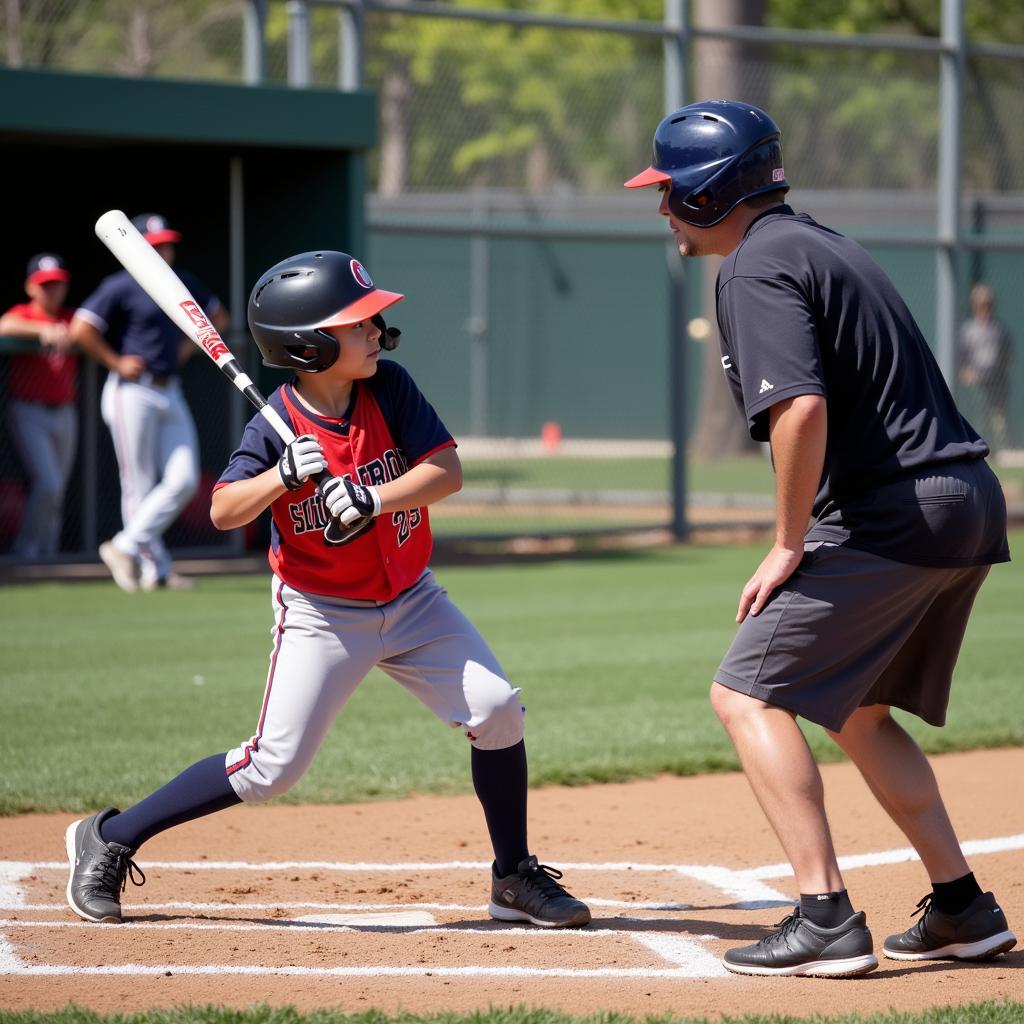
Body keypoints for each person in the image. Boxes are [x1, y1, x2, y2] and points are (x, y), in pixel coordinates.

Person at [64, 249, 591, 931]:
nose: (376, 330)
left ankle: (513, 876)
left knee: (497, 710)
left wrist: (372, 498)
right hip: (323, 614)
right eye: (358, 322)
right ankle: (111, 835)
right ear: (308, 346)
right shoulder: (272, 426)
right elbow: (225, 509)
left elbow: (447, 471)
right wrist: (281, 476)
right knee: (270, 769)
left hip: (413, 599)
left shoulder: (389, 389)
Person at [625, 100, 1016, 978]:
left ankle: (825, 917)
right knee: (861, 711)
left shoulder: (753, 267)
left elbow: (800, 407)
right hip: (964, 498)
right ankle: (961, 907)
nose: (661, 210)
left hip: (894, 509)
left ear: (707, 192)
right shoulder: (820, 241)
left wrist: (787, 540)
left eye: (669, 191)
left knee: (746, 696)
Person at [69, 213, 229, 591]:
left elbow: (219, 316)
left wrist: (189, 346)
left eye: (167, 244)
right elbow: (81, 327)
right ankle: (153, 570)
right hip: (132, 389)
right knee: (137, 484)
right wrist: (114, 360)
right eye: (155, 245)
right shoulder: (122, 285)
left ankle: (125, 547)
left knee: (185, 478)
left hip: (169, 386)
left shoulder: (182, 282)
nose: (164, 251)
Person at [1, 254, 78, 559]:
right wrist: (41, 331)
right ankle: (27, 552)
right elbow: (4, 325)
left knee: (57, 490)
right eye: (45, 285)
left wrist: (64, 331)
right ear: (31, 287)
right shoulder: (24, 314)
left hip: (65, 411)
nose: (52, 290)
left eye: (57, 284)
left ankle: (49, 553)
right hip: (29, 409)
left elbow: (91, 330)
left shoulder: (70, 318)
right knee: (48, 483)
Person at [959, 283, 1011, 452]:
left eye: (988, 304)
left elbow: (1006, 354)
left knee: (998, 415)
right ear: (975, 305)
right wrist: (966, 371)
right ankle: (979, 447)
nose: (985, 307)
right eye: (981, 304)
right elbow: (962, 354)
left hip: (996, 377)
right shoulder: (969, 329)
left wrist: (1004, 373)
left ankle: (1000, 449)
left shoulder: (998, 329)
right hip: (977, 376)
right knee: (980, 413)